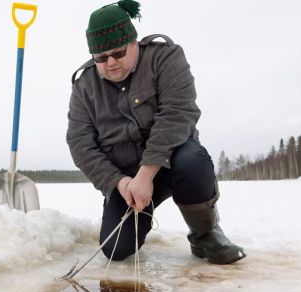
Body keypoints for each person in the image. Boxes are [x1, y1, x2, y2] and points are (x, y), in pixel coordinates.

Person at [66, 0, 245, 264]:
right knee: (116, 250)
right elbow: (80, 143)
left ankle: (205, 234)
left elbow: (178, 113)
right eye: (101, 58)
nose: (110, 63)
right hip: (126, 179)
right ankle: (136, 216)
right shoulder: (84, 86)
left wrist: (147, 172)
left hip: (173, 162)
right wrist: (119, 182)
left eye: (117, 53)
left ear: (134, 42)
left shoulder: (165, 57)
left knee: (193, 161)